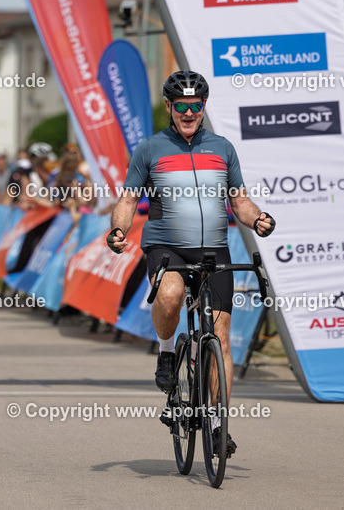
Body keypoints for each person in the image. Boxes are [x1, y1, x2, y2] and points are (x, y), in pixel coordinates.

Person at [106, 71, 276, 459]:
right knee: (170, 294)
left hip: (213, 249)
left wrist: (258, 218)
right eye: (180, 106)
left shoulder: (222, 148)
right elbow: (129, 200)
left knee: (221, 332)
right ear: (169, 107)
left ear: (203, 107)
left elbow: (240, 201)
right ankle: (167, 351)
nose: (188, 112)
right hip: (166, 246)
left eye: (195, 106)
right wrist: (118, 230)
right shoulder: (150, 148)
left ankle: (218, 423)